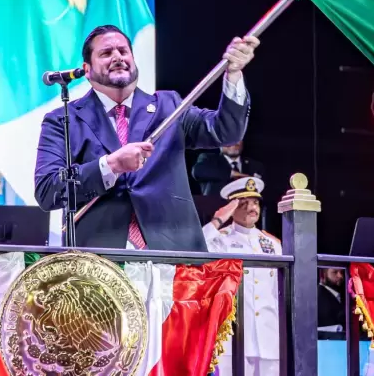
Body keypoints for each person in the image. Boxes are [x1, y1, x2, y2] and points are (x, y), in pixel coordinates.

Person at [34, 25, 258, 250]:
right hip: (100, 261)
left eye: (123, 51)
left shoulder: (168, 105)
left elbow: (226, 131)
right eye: (106, 53)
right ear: (87, 69)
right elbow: (47, 190)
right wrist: (111, 165)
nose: (117, 57)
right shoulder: (64, 119)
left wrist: (234, 75)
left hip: (173, 253)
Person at [204, 176, 280, 376]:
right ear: (232, 207)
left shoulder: (272, 244)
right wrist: (218, 220)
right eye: (243, 203)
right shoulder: (221, 239)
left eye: (255, 202)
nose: (251, 208)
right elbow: (197, 247)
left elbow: (277, 292)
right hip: (233, 335)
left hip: (267, 335)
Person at [192, 141, 266, 196]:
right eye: (229, 139)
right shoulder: (209, 159)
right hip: (214, 211)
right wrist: (234, 174)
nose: (233, 143)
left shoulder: (255, 165)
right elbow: (197, 171)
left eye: (237, 139)